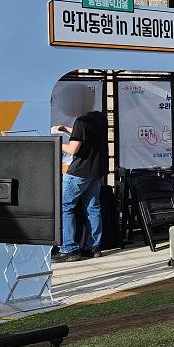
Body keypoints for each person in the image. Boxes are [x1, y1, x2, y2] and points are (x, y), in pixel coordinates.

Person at [56, 107, 109, 262]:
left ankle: (69, 248)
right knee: (93, 208)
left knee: (65, 207)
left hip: (79, 172)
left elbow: (73, 149)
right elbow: (85, 133)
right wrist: (66, 129)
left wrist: (54, 142)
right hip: (97, 170)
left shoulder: (80, 121)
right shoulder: (100, 118)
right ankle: (93, 247)